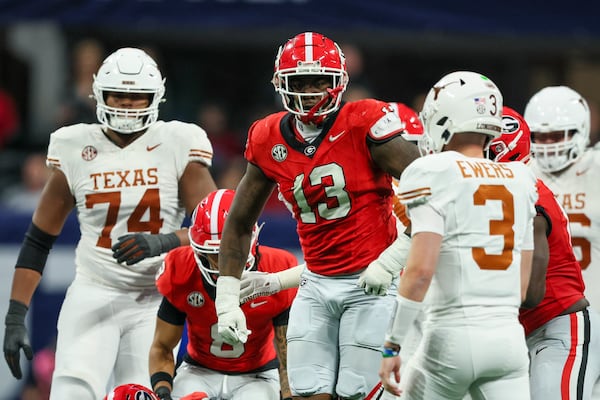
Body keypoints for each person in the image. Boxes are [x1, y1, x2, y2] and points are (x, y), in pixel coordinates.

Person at [213, 31, 420, 399]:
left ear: (339, 81)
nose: (310, 90)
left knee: (359, 392)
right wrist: (226, 298)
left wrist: (390, 263)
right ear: (281, 84)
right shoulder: (267, 137)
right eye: (301, 81)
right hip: (316, 283)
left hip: (371, 285)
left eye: (320, 81)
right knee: (306, 392)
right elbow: (240, 222)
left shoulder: (363, 120)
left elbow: (433, 193)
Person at [3, 47, 217, 399]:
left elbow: (218, 228)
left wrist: (163, 242)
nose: (128, 104)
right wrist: (15, 315)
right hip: (94, 290)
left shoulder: (177, 142)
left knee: (142, 393)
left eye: (137, 96)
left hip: (156, 298)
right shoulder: (75, 146)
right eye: (119, 94)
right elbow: (39, 239)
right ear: (99, 94)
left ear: (156, 97)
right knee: (71, 389)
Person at [379, 71, 537, 399]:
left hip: (451, 338)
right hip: (508, 341)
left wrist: (392, 346)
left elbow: (420, 272)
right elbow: (522, 287)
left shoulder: (432, 172)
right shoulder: (521, 178)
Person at [489, 106, 600, 399]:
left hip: (561, 329)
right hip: (527, 332)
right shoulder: (502, 195)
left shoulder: (531, 198)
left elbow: (531, 292)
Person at [149, 189, 297, 400]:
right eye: (214, 253)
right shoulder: (181, 268)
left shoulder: (277, 269)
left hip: (258, 376)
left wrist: (290, 396)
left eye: (232, 249)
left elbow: (287, 359)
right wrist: (163, 393)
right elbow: (162, 347)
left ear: (251, 241)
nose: (224, 261)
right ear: (198, 249)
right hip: (198, 371)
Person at [524, 87, 600, 313]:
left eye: (556, 136)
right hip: (539, 311)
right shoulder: (522, 171)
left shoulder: (595, 168)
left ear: (579, 131)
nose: (549, 143)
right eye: (540, 136)